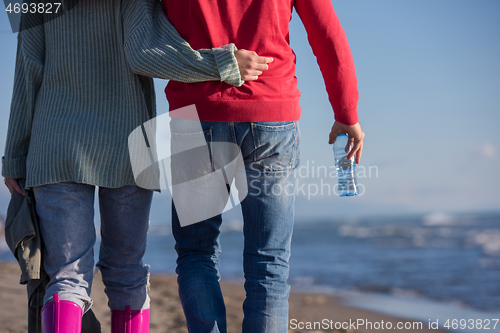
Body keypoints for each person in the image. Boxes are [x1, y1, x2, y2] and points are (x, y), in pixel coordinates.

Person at [1, 0, 272, 332]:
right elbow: (145, 52)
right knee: (127, 272)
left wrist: (14, 155)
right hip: (130, 144)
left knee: (67, 277)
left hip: (56, 143)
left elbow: (28, 68)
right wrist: (221, 63)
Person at [160, 0, 365, 332]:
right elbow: (327, 34)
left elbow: (149, 34)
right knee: (268, 263)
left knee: (196, 253)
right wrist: (347, 113)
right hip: (272, 114)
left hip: (195, 115)